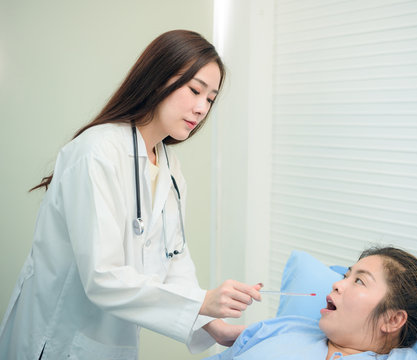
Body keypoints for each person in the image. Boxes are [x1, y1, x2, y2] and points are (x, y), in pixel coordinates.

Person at [0, 29, 262, 359]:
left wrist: (212, 323)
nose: (201, 108)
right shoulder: (97, 152)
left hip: (110, 344)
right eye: (195, 90)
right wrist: (202, 301)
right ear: (157, 80)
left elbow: (174, 260)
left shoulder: (169, 166)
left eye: (210, 99)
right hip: (57, 341)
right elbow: (102, 276)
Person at [205, 246, 417, 359]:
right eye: (346, 276)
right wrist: (202, 310)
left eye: (359, 281)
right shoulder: (282, 329)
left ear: (392, 319)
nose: (338, 284)